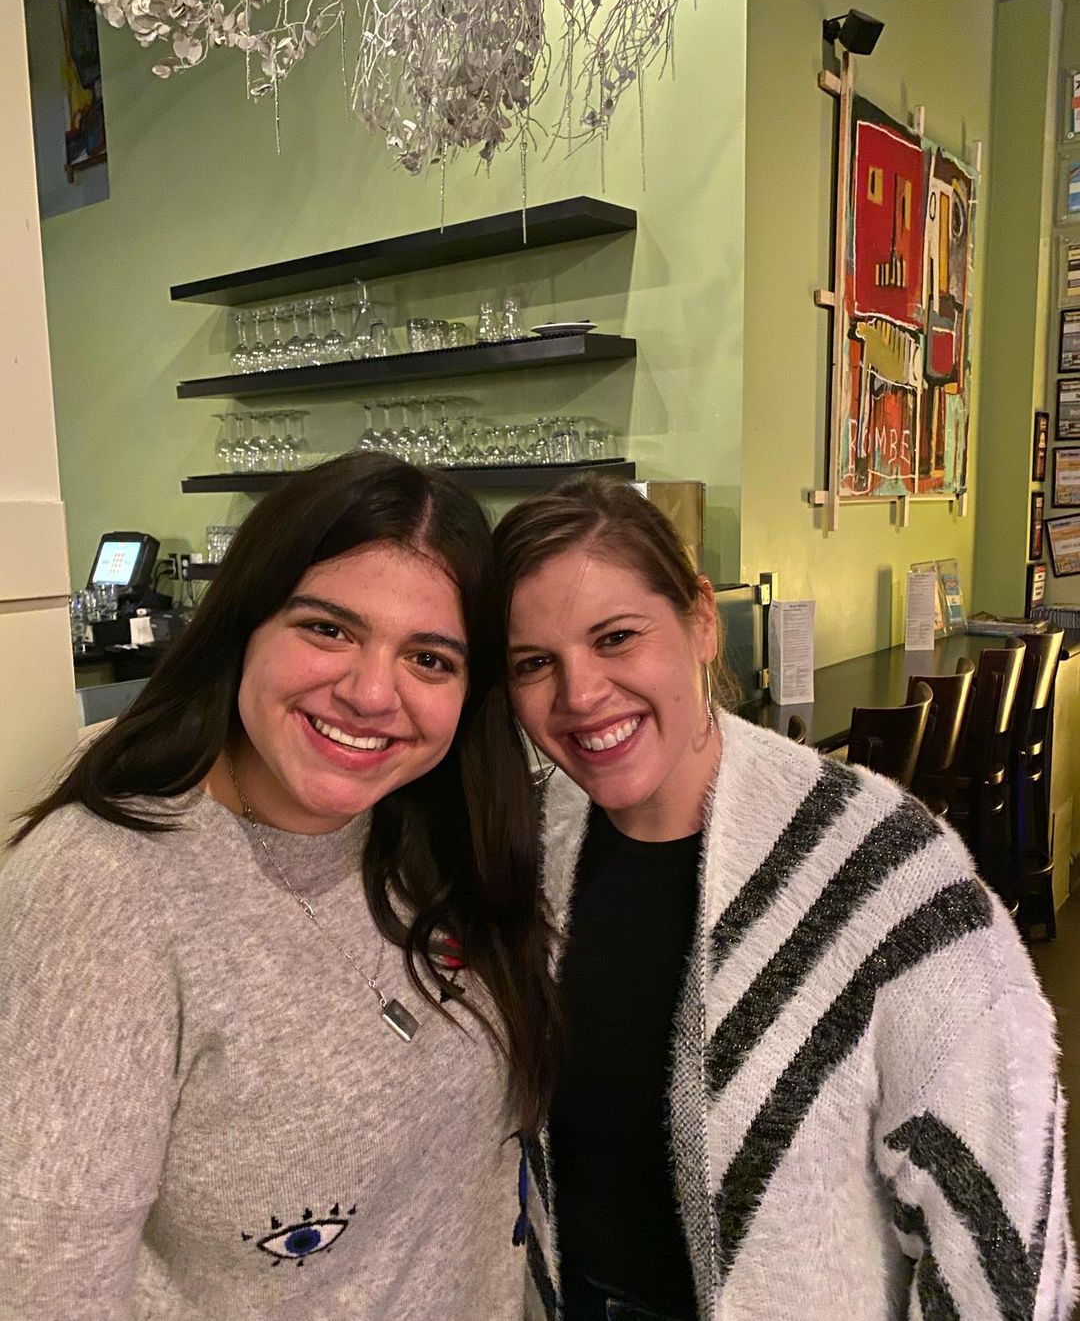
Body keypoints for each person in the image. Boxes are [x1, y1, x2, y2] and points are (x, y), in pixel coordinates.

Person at [495, 475, 1076, 1321]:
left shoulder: (884, 869)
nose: (579, 694)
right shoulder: (531, 848)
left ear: (700, 621)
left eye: (616, 637)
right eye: (533, 663)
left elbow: (1003, 1242)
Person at [0, 453, 557, 1320]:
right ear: (244, 624)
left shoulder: (434, 826)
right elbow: (44, 1286)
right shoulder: (102, 893)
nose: (371, 693)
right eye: (328, 629)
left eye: (429, 658)